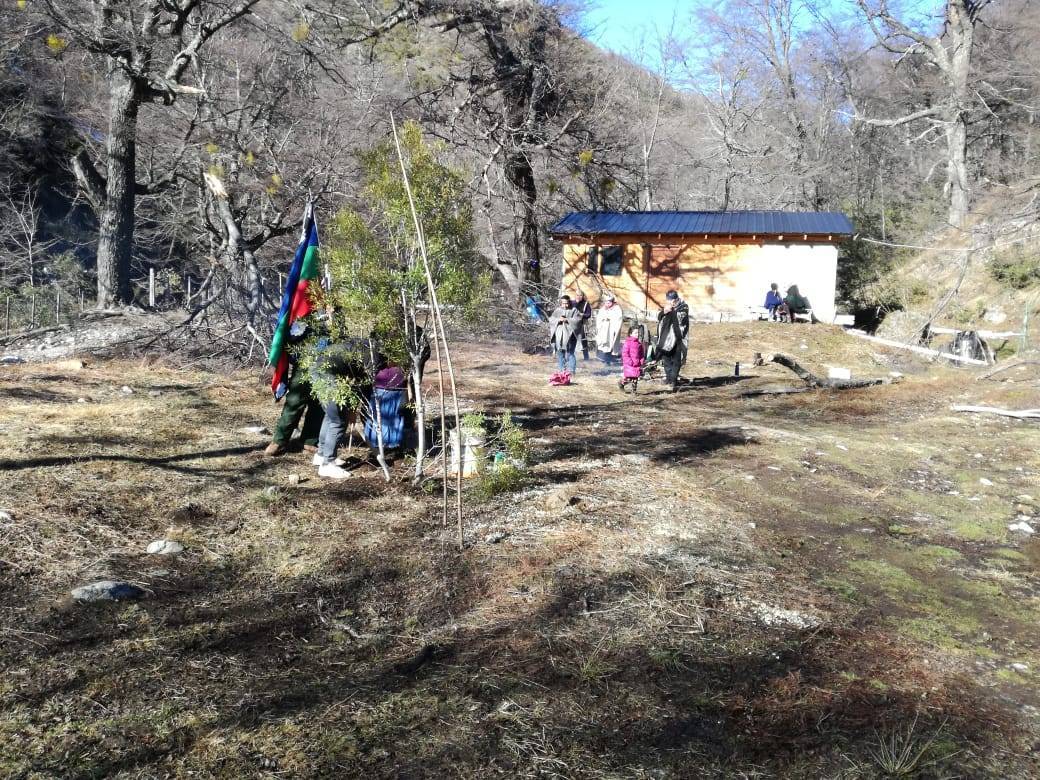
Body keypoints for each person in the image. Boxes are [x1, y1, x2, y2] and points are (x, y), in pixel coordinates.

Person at [310, 336, 372, 480]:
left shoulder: (364, 346)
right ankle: (327, 464)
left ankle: (321, 455)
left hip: (317, 370)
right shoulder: (372, 356)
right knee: (338, 421)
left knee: (330, 415)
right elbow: (362, 383)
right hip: (327, 376)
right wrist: (352, 410)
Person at [265, 320, 324, 457]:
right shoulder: (305, 308)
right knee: (295, 401)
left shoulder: (336, 308)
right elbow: (293, 332)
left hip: (326, 360)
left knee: (319, 403)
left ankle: (309, 440)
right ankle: (279, 440)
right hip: (305, 359)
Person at [656, 290, 690, 392]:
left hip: (678, 338)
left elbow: (680, 320)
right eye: (668, 300)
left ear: (675, 299)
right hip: (666, 339)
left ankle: (673, 380)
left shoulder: (684, 307)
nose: (669, 302)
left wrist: (671, 311)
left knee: (676, 361)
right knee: (666, 359)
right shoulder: (667, 307)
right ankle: (668, 378)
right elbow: (659, 317)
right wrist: (663, 312)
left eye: (671, 300)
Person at [548, 294, 581, 375]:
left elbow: (578, 320)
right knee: (560, 352)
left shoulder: (574, 310)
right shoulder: (557, 310)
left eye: (566, 303)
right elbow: (551, 319)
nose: (565, 305)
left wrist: (567, 320)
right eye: (563, 303)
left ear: (569, 302)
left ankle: (571, 370)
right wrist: (558, 320)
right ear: (560, 303)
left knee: (570, 352)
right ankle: (561, 369)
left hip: (570, 335)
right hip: (560, 335)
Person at [594, 293, 624, 365]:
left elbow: (618, 318)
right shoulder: (602, 309)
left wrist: (610, 318)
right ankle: (605, 360)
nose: (607, 304)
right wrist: (603, 319)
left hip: (611, 330)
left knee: (611, 344)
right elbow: (599, 318)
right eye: (606, 302)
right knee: (604, 344)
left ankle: (611, 360)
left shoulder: (617, 309)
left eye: (609, 302)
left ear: (612, 302)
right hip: (604, 330)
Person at [618, 325, 645, 393]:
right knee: (629, 378)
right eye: (635, 333)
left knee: (635, 378)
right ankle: (621, 383)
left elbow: (641, 354)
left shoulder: (639, 344)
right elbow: (625, 354)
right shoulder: (627, 343)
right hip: (629, 364)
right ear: (631, 334)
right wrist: (630, 362)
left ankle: (634, 391)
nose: (637, 334)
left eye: (638, 333)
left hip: (637, 363)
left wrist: (641, 360)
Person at [573, 290, 592, 360]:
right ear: (575, 295)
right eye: (577, 295)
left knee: (583, 341)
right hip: (572, 325)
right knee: (571, 340)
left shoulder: (586, 304)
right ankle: (571, 357)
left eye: (580, 295)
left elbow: (589, 314)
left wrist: (582, 315)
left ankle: (586, 357)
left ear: (583, 296)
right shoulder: (572, 303)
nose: (579, 297)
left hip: (582, 324)